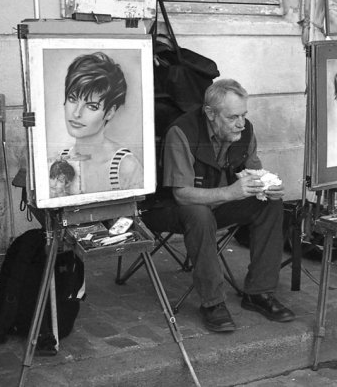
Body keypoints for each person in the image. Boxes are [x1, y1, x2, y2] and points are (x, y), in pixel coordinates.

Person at [140, 79, 294, 333]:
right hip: (167, 208)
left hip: (220, 201)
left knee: (271, 205)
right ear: (210, 114)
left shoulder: (245, 130)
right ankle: (212, 303)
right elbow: (182, 195)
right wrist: (231, 192)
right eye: (233, 117)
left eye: (244, 115)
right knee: (199, 215)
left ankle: (259, 293)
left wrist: (267, 185)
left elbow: (253, 170)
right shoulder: (182, 132)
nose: (241, 123)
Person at [54, 52, 143, 195]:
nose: (77, 113)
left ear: (109, 112)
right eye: (72, 99)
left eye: (92, 106)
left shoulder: (125, 166)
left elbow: (131, 215)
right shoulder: (59, 160)